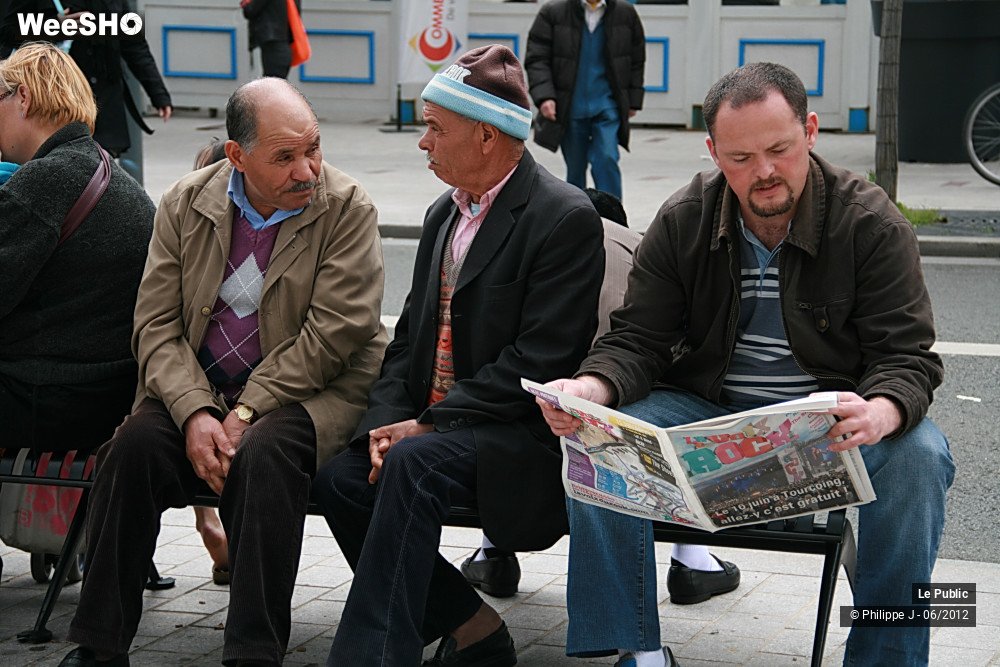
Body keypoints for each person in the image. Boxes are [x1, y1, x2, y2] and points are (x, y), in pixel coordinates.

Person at [539, 62, 954, 667]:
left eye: (779, 150)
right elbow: (637, 340)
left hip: (825, 418)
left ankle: (887, 653)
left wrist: (882, 412)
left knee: (922, 458)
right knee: (598, 439)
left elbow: (908, 356)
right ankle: (638, 651)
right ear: (713, 152)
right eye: (739, 158)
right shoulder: (684, 218)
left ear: (810, 131)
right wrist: (588, 389)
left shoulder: (871, 221)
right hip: (708, 406)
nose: (762, 172)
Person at [57, 76, 388, 667]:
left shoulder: (348, 206)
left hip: (307, 394)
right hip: (203, 389)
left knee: (264, 453)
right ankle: (99, 646)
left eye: (312, 148)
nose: (307, 170)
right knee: (131, 447)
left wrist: (244, 410)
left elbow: (334, 333)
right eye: (284, 157)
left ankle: (253, 653)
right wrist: (194, 411)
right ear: (237, 156)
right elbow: (154, 323)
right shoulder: (186, 202)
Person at [314, 44, 605, 666]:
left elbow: (541, 358)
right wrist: (378, 430)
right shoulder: (441, 215)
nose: (423, 143)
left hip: (515, 434)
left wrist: (427, 425)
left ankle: (369, 656)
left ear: (484, 135)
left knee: (412, 464)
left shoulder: (563, 216)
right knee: (342, 479)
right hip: (434, 431)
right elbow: (407, 343)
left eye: (435, 128)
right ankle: (473, 626)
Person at [461, 188, 742, 604]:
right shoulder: (641, 251)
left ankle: (493, 552)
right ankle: (690, 558)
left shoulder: (524, 243)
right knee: (674, 415)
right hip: (620, 448)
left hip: (515, 444)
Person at [0, 42, 152, 457]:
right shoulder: (107, 170)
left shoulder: (45, 181)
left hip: (49, 399)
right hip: (107, 395)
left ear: (23, 98)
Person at [0, 0, 173, 157]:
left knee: (99, 172)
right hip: (55, 100)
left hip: (104, 103)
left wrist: (158, 94)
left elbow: (134, 44)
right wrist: (58, 27)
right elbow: (8, 32)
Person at [525, 0, 645, 201]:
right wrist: (545, 96)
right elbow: (537, 58)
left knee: (606, 158)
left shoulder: (625, 13)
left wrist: (633, 99)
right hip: (570, 107)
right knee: (575, 169)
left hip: (608, 105)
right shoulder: (553, 12)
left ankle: (613, 221)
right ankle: (576, 219)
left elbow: (636, 59)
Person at [240, 0, 298, 79]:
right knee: (279, 82)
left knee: (272, 82)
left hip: (272, 44)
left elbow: (250, 11)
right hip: (284, 44)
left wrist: (246, 3)